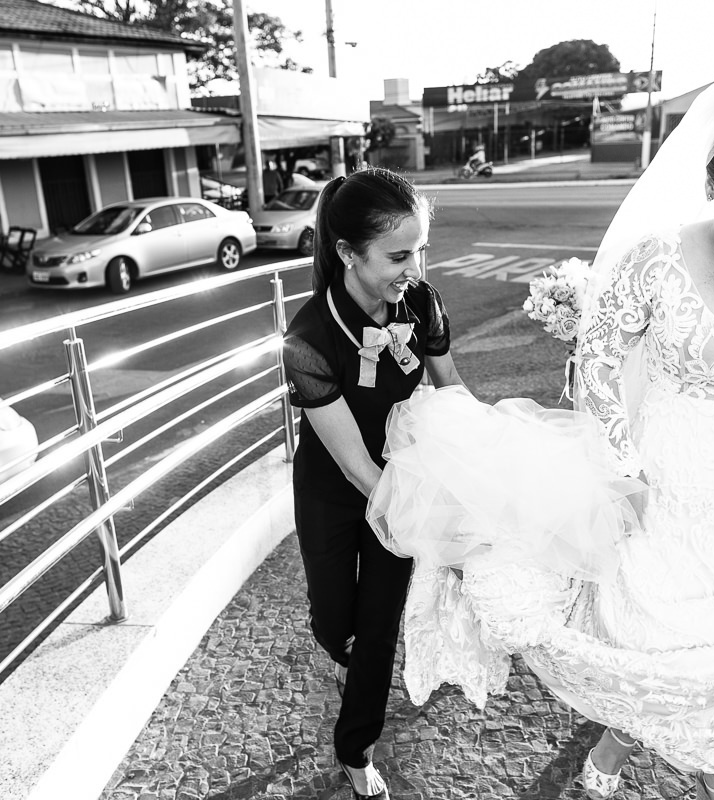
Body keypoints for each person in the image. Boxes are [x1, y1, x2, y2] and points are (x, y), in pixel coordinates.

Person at [367, 68, 714, 800]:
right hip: (670, 485)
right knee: (659, 642)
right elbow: (600, 360)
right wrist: (623, 467)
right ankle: (618, 737)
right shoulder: (659, 257)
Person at [281, 166, 465, 799]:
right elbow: (357, 468)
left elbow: (452, 387)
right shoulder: (306, 340)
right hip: (336, 486)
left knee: (379, 624)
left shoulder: (422, 302)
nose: (413, 267)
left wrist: (489, 457)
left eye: (419, 249)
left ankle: (355, 749)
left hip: (403, 469)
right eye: (396, 255)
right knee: (337, 623)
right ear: (346, 254)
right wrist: (423, 511)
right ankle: (340, 651)